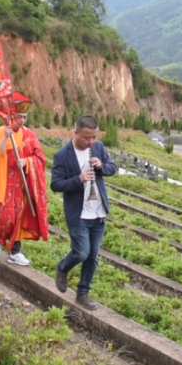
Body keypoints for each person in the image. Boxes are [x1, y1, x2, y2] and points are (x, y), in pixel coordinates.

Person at [50, 115, 116, 311]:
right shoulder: (62, 155)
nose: (91, 142)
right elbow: (55, 184)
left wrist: (102, 167)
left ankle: (83, 293)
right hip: (78, 214)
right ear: (75, 133)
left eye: (94, 137)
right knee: (81, 252)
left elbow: (113, 168)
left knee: (93, 256)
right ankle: (62, 267)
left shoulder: (98, 148)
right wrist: (78, 179)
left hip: (98, 213)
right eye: (87, 138)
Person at [0, 92, 48, 266]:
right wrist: (6, 137)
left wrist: (27, 162)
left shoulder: (29, 135)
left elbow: (40, 158)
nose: (22, 121)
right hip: (6, 181)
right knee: (8, 217)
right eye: (19, 117)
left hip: (22, 184)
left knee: (19, 218)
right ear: (11, 116)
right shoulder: (0, 132)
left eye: (25, 117)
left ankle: (15, 252)